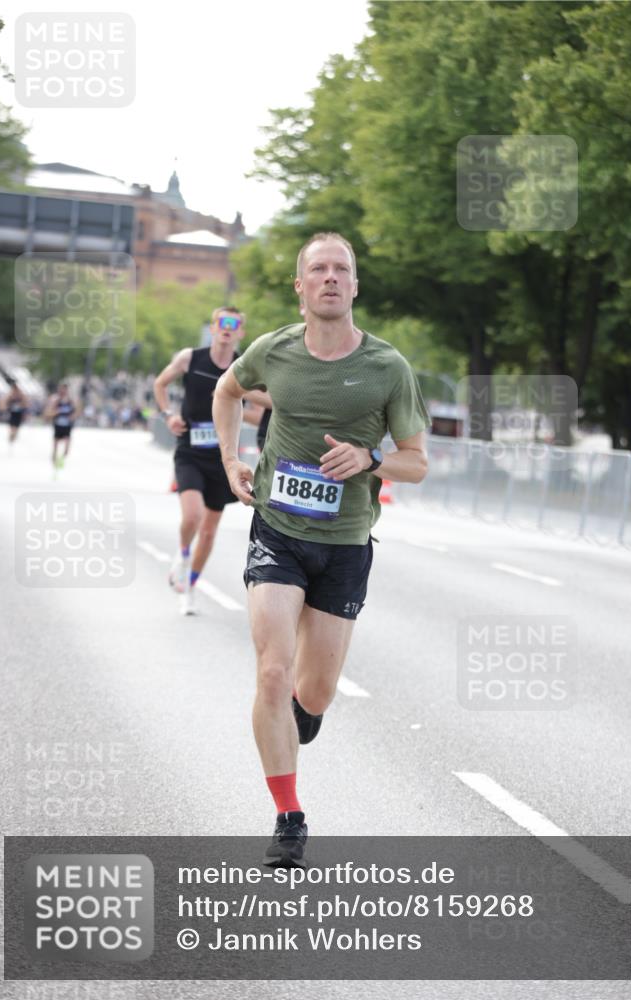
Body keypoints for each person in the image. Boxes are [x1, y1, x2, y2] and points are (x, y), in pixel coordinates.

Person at [213, 232, 430, 867]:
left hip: (344, 545)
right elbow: (227, 391)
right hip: (277, 531)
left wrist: (371, 459)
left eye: (341, 269)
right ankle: (289, 817)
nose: (330, 277)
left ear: (355, 286)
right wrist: (231, 460)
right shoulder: (273, 351)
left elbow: (418, 463)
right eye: (319, 269)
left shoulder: (388, 367)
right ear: (301, 286)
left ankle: (298, 717)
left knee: (313, 693)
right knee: (272, 672)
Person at [154, 307, 271, 616]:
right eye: (222, 323)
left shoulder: (245, 368)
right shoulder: (190, 358)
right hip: (190, 450)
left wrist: (231, 398)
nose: (227, 328)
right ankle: (182, 556)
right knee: (192, 515)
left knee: (208, 531)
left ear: (241, 332)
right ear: (214, 327)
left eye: (234, 324)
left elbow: (263, 410)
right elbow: (160, 384)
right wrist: (168, 415)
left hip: (223, 457)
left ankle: (190, 588)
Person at [44, 382, 78, 468]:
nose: (63, 391)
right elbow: (48, 412)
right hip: (58, 425)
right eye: (61, 389)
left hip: (67, 426)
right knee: (55, 446)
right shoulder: (56, 400)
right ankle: (54, 462)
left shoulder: (71, 401)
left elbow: (76, 412)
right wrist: (56, 412)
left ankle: (61, 460)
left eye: (64, 389)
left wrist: (72, 416)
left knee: (66, 449)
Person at [3, 380, 29, 447]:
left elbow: (26, 404)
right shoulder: (10, 395)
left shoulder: (21, 395)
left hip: (18, 414)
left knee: (16, 429)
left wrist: (20, 405)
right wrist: (7, 407)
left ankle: (13, 438)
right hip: (12, 414)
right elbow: (4, 403)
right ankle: (11, 439)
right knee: (12, 428)